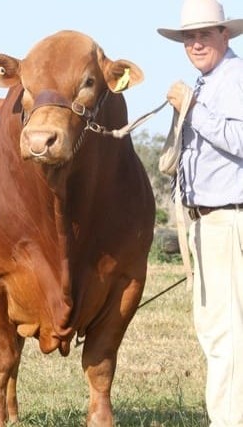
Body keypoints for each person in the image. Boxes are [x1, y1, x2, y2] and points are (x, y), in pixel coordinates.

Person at [157, 0, 243, 425]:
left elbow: (241, 140)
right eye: (188, 37)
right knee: (216, 333)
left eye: (204, 35)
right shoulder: (209, 82)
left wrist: (193, 109)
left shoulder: (236, 78)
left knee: (227, 335)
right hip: (209, 222)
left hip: (230, 219)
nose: (194, 43)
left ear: (225, 35)